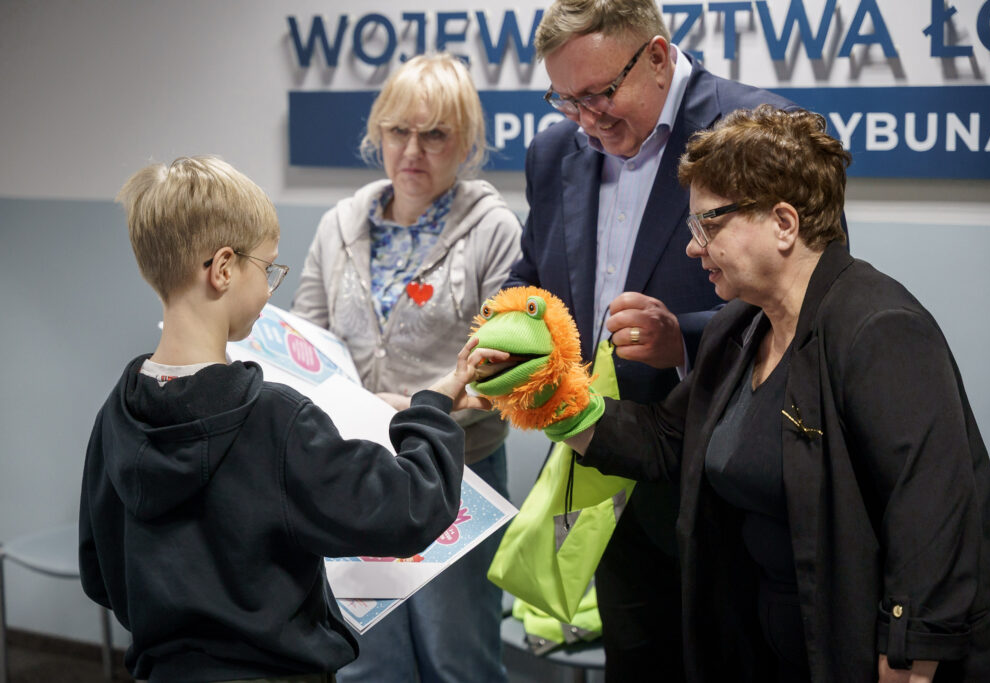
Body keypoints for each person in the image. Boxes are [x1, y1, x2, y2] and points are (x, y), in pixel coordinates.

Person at [557, 105, 990, 681]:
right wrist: (549, 399)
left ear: (783, 222)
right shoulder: (738, 326)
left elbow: (930, 517)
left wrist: (908, 660)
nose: (693, 247)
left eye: (707, 225)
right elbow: (666, 440)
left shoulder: (880, 328)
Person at [79, 155, 500, 683]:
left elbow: (99, 574)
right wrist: (430, 410)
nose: (270, 287)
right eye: (268, 269)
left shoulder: (117, 414)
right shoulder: (274, 420)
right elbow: (411, 507)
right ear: (224, 268)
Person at [503, 0, 796, 675]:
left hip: (724, 484)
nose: (587, 119)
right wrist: (506, 329)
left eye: (601, 93)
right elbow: (535, 276)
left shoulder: (759, 130)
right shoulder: (554, 151)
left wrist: (685, 340)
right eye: (566, 99)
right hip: (608, 473)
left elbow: (802, 307)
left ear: (658, 56)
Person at [290, 53, 521, 683]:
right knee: (370, 659)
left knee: (457, 658)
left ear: (466, 143)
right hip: (356, 468)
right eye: (398, 131)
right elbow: (304, 343)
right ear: (378, 135)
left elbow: (505, 368)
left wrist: (418, 408)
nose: (412, 150)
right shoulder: (340, 226)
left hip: (457, 470)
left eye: (435, 134)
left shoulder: (494, 230)